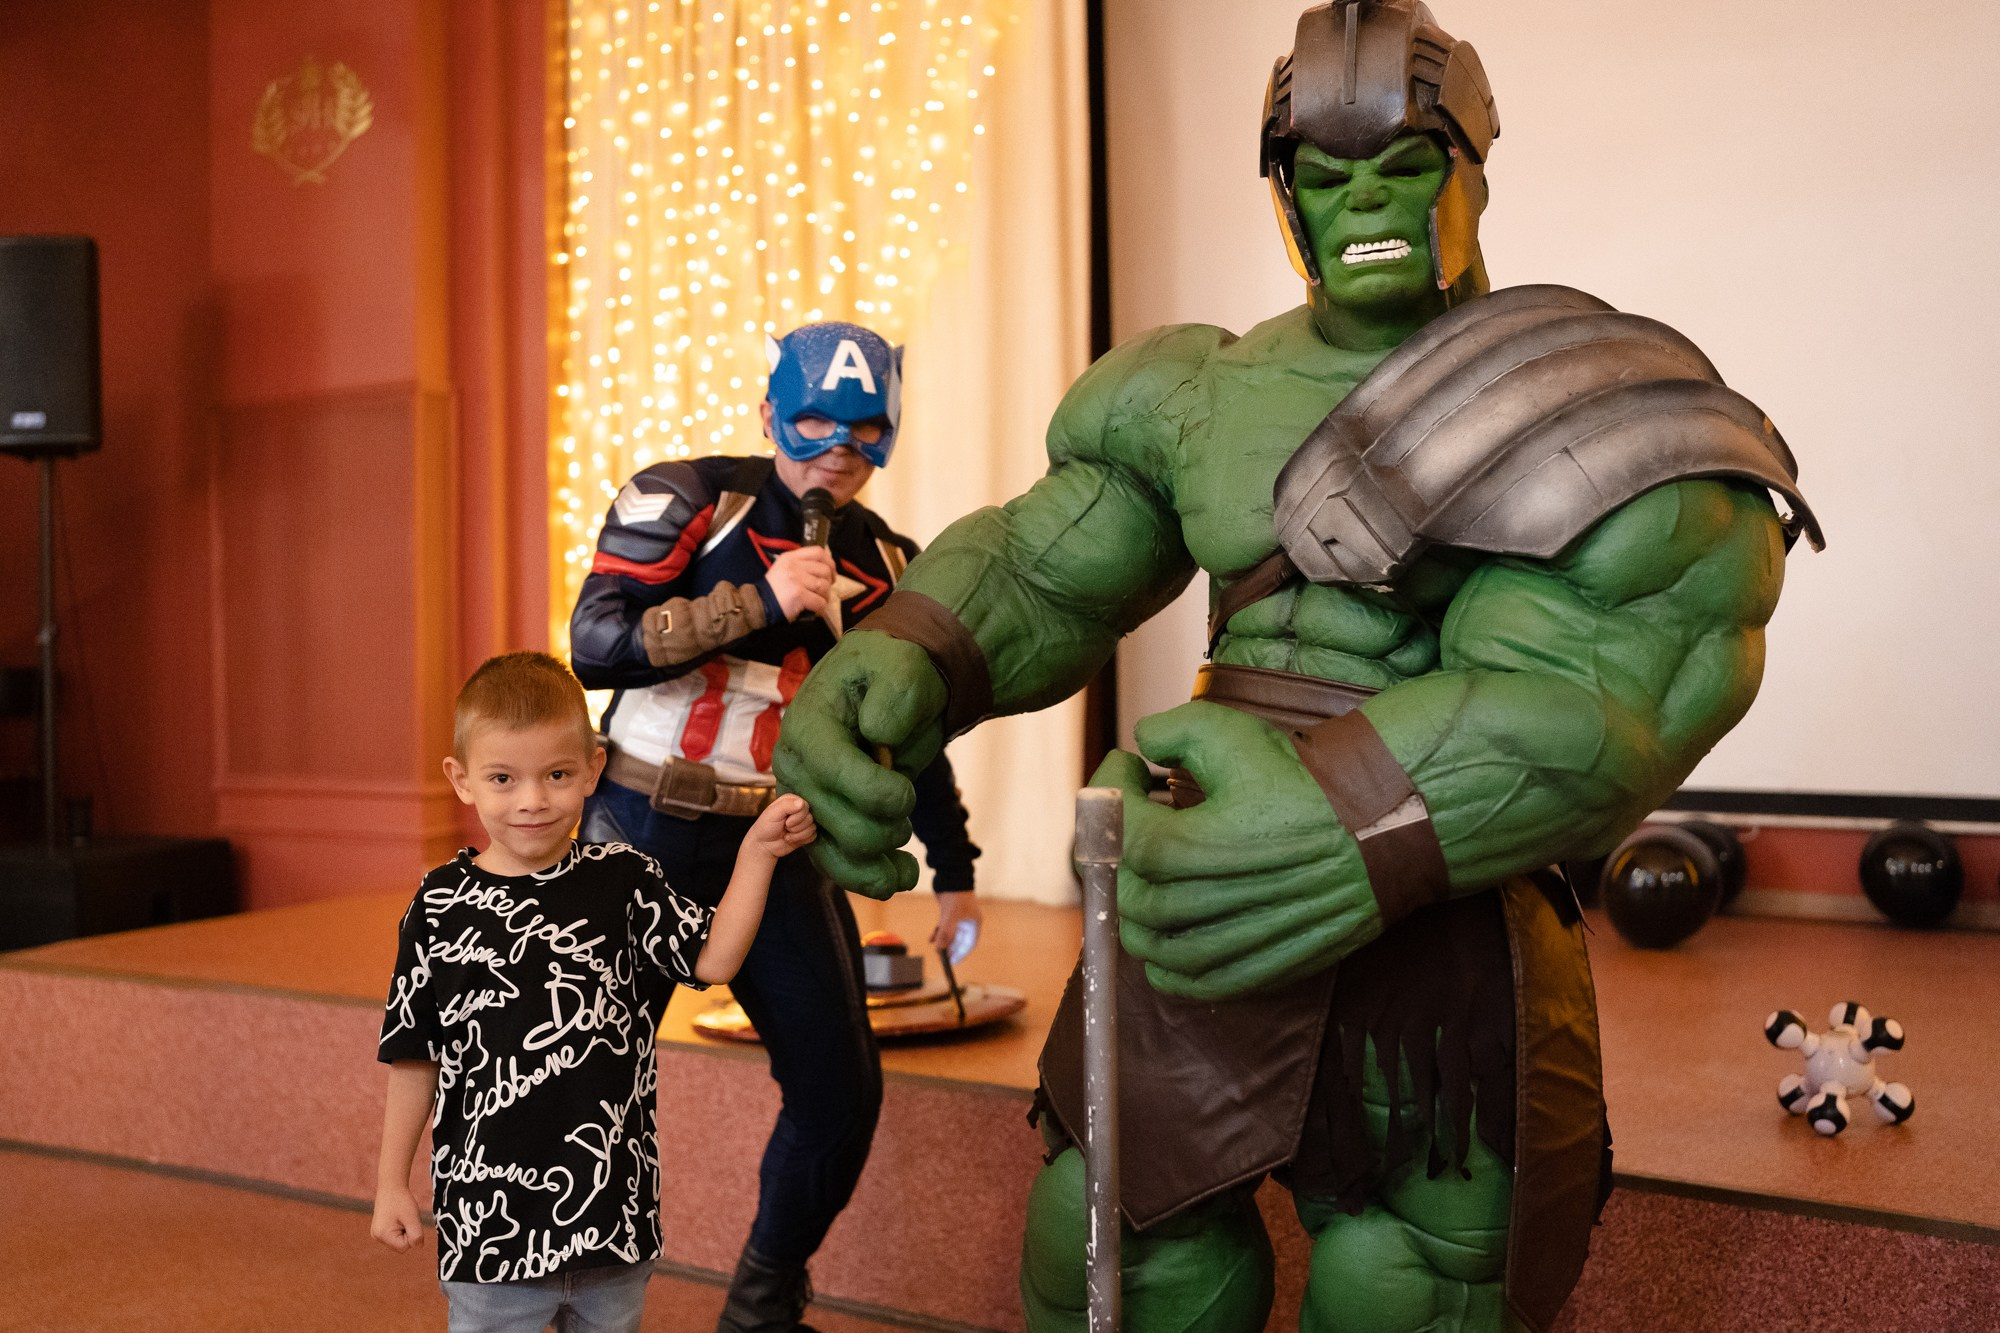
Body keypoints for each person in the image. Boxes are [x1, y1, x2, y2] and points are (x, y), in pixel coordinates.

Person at [773, 3, 1821, 1331]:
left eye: (1403, 165)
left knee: (1413, 1282)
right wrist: (908, 651)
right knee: (1116, 1246)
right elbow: (1044, 562)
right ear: (1287, 198)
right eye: (1325, 176)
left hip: (1434, 916)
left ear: (1468, 171)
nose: (1362, 198)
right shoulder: (1196, 393)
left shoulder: (1591, 399)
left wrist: (1352, 821)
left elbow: (1610, 692)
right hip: (1194, 894)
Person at [568, 320, 983, 1333]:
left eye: (864, 428)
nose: (837, 448)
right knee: (578, 1083)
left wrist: (955, 863)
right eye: (814, 421)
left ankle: (761, 1307)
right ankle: (560, 1305)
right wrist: (753, 600)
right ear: (768, 413)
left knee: (840, 1090)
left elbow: (909, 728)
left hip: (778, 841)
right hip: (637, 823)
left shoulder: (889, 561)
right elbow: (594, 641)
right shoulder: (688, 497)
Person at [371, 651, 816, 1332]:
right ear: (462, 780)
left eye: (556, 774)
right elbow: (414, 1055)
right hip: (490, 1233)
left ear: (592, 768)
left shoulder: (625, 880)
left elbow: (715, 957)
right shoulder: (438, 906)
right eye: (502, 778)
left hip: (613, 1221)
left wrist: (756, 851)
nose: (532, 800)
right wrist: (390, 1182)